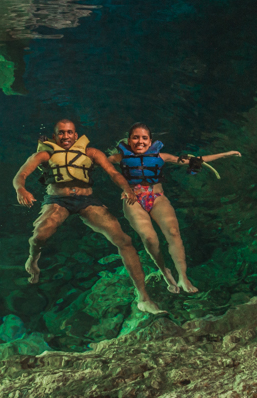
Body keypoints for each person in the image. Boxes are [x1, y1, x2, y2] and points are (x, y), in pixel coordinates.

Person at [13, 119, 165, 315]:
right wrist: (21, 189)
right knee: (38, 237)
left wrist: (127, 188)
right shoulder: (44, 154)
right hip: (57, 201)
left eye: (69, 133)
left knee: (124, 240)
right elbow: (21, 174)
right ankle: (33, 260)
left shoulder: (91, 153)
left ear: (76, 136)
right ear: (55, 136)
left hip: (87, 200)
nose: (66, 136)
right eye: (61, 133)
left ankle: (143, 298)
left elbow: (113, 173)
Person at [108, 123, 240, 294]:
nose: (140, 141)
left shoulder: (162, 156)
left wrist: (226, 154)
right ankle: (164, 271)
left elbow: (195, 160)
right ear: (129, 140)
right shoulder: (119, 158)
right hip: (133, 200)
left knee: (173, 232)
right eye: (135, 137)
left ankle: (183, 277)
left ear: (150, 141)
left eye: (144, 138)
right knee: (149, 238)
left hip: (157, 198)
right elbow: (95, 162)